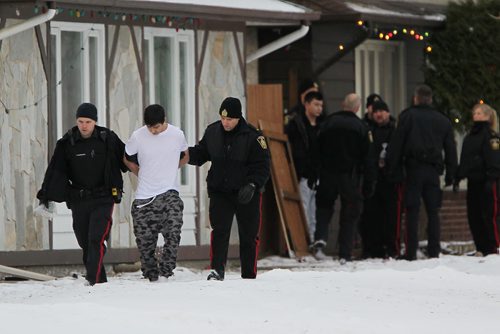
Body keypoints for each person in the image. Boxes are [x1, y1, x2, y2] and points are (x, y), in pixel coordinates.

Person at [37, 102, 127, 285]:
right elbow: (55, 169)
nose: (84, 126)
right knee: (85, 241)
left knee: (96, 238)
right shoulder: (67, 142)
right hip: (79, 199)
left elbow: (127, 159)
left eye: (88, 121)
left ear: (94, 122)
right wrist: (45, 195)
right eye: (80, 121)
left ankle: (92, 280)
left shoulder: (107, 138)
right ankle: (99, 280)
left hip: (104, 197)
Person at [188, 97, 270, 281]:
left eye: (230, 119)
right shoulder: (212, 131)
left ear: (238, 118)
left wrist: (253, 184)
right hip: (220, 191)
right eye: (223, 118)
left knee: (249, 235)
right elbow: (201, 153)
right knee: (219, 231)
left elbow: (263, 166)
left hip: (246, 194)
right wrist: (185, 155)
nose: (225, 122)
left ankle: (249, 273)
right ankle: (217, 269)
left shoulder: (253, 137)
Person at [386, 85, 457, 260]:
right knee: (433, 211)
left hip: (413, 168)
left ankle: (411, 251)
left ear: (416, 98)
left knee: (412, 210)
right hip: (433, 170)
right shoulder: (442, 120)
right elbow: (450, 149)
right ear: (430, 99)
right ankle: (434, 250)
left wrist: (391, 167)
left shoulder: (407, 116)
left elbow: (397, 144)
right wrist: (451, 173)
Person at [123, 104, 189, 282]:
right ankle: (151, 276)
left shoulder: (177, 134)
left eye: (157, 127)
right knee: (145, 244)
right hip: (145, 197)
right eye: (150, 127)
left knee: (173, 233)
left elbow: (186, 155)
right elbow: (126, 157)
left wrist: (170, 168)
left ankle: (167, 272)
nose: (153, 131)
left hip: (169, 192)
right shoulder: (138, 136)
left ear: (164, 121)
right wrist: (139, 171)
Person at [312, 93, 376, 263]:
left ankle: (321, 237)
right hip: (350, 176)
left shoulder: (326, 124)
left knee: (324, 207)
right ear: (357, 108)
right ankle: (345, 252)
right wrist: (369, 183)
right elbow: (369, 158)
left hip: (327, 174)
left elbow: (315, 150)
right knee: (350, 213)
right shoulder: (361, 127)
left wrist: (314, 173)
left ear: (342, 104)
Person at [455, 103, 500, 256]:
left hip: (487, 181)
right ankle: (480, 246)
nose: (476, 115)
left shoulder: (491, 136)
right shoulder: (469, 136)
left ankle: (493, 246)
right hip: (473, 181)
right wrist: (459, 176)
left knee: (488, 214)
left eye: (480, 113)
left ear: (488, 116)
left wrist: (492, 177)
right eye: (475, 113)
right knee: (474, 215)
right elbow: (465, 158)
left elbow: (494, 158)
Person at [359, 100, 402, 258]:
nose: (379, 114)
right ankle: (372, 248)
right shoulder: (368, 130)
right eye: (376, 112)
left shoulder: (396, 129)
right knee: (371, 215)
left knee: (390, 216)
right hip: (372, 179)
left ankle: (391, 248)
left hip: (390, 180)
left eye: (382, 111)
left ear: (388, 113)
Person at [285, 91, 324, 241]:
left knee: (313, 212)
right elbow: (295, 150)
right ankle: (304, 242)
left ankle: (312, 241)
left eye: (321, 105)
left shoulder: (321, 126)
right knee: (303, 209)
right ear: (306, 104)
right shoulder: (297, 124)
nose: (319, 108)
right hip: (302, 174)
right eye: (316, 104)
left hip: (317, 174)